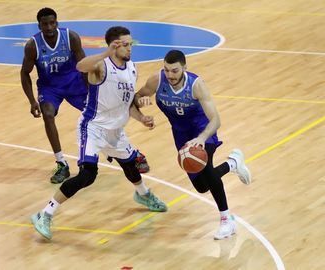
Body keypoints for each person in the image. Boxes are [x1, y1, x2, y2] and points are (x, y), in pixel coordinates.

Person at [31, 26, 167, 240]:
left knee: (131, 165)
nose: (130, 48)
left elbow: (128, 103)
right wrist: (106, 53)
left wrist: (142, 119)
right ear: (114, 45)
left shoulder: (132, 68)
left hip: (116, 130)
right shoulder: (101, 66)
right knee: (87, 175)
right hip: (93, 127)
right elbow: (80, 66)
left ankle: (143, 195)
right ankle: (45, 214)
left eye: (131, 44)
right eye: (125, 44)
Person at [20, 8, 149, 185]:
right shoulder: (32, 45)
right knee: (48, 115)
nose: (49, 27)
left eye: (52, 23)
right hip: (50, 87)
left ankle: (131, 153)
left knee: (101, 114)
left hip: (75, 82)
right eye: (45, 24)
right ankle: (61, 163)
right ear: (39, 25)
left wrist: (93, 91)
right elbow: (24, 73)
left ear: (57, 23)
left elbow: (84, 65)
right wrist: (32, 100)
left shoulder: (70, 37)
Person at [135, 50, 251, 240]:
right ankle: (232, 164)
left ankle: (226, 220)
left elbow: (215, 120)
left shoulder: (196, 85)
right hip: (180, 134)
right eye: (167, 70)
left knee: (207, 171)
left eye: (174, 71)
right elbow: (135, 98)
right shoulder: (157, 80)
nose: (170, 75)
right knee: (201, 186)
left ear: (184, 69)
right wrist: (141, 102)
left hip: (203, 130)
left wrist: (202, 138)